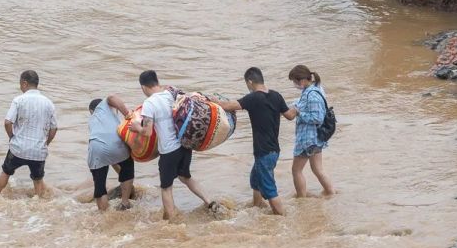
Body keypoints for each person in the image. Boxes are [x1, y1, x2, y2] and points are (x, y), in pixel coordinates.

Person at [130, 70, 216, 220]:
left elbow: (148, 132)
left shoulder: (149, 103)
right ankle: (211, 202)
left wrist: (136, 127)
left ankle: (171, 222)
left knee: (166, 188)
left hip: (169, 151)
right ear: (157, 81)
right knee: (185, 177)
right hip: (184, 145)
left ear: (143, 87)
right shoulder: (170, 94)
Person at [213, 67, 293, 215]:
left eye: (247, 84)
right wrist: (300, 107)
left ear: (250, 82)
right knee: (255, 180)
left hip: (263, 151)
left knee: (269, 189)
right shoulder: (276, 96)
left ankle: (283, 218)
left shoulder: (254, 98)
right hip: (274, 150)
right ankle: (257, 207)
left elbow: (229, 106)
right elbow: (290, 115)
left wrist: (214, 101)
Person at [0, 70, 58, 197]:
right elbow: (54, 128)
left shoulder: (19, 100)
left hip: (18, 148)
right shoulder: (48, 103)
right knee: (38, 180)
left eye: (20, 84)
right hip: (38, 151)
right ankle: (38, 204)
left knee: (6, 172)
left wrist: (12, 137)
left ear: (24, 83)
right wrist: (46, 143)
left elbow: (8, 122)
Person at [285, 65, 335, 198]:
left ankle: (301, 199)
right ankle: (330, 193)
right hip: (316, 139)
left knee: (296, 170)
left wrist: (299, 113)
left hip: (308, 139)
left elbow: (317, 118)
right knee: (317, 169)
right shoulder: (315, 89)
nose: (294, 85)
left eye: (294, 82)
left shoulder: (312, 95)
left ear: (301, 81)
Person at [88, 95, 135, 211]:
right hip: (117, 145)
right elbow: (112, 97)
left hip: (96, 148)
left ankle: (104, 214)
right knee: (128, 167)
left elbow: (111, 98)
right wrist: (127, 114)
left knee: (99, 184)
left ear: (91, 111)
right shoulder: (108, 110)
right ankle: (125, 203)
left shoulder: (93, 119)